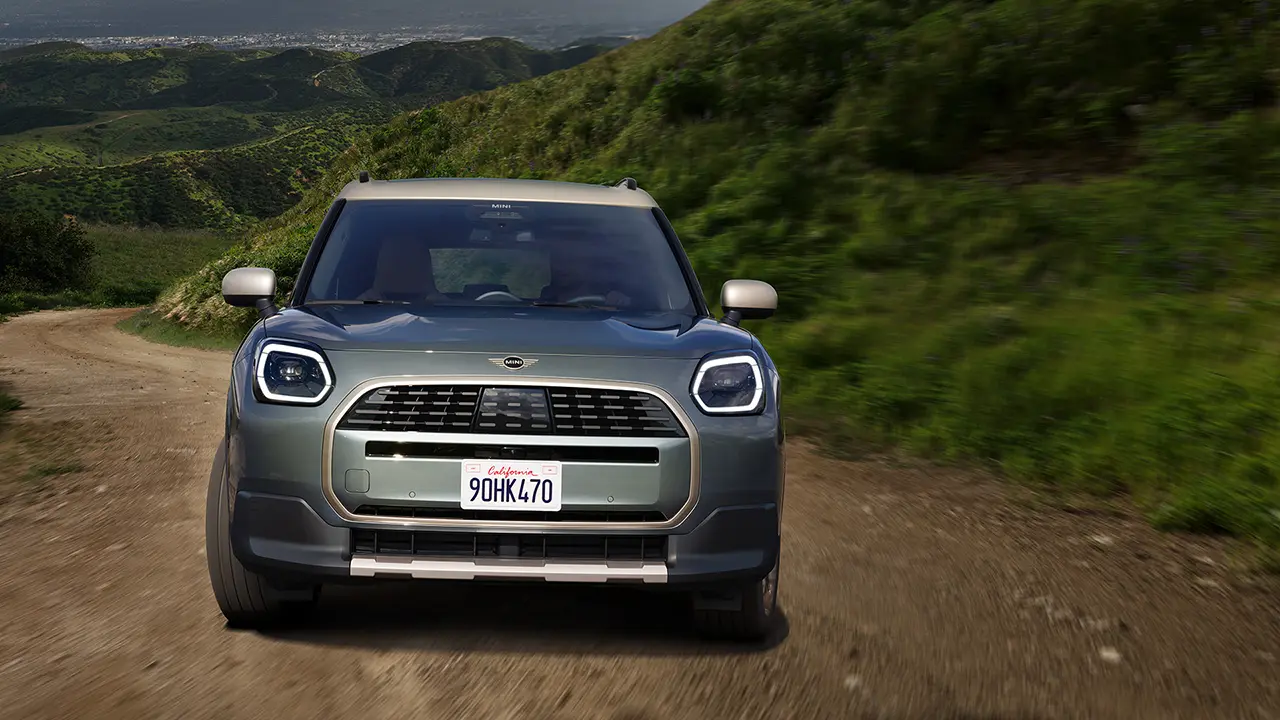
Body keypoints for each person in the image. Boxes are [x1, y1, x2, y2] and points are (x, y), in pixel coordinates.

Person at [357, 234, 447, 303]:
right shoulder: (357, 308)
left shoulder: (445, 309)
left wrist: (442, 306)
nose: (402, 269)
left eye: (410, 260)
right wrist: (360, 306)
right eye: (394, 260)